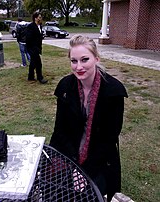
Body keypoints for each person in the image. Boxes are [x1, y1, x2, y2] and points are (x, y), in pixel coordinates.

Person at [49, 35, 128, 201]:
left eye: (84, 60)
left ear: (96, 59)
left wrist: (84, 171)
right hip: (69, 152)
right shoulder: (65, 86)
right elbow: (60, 130)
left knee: (90, 196)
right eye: (74, 61)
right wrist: (72, 164)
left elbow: (108, 139)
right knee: (56, 192)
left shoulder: (113, 92)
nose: (79, 67)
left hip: (99, 158)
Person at [26, 11, 48, 84]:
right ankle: (40, 78)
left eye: (41, 17)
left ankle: (30, 77)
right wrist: (33, 47)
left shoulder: (40, 26)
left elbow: (38, 37)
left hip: (37, 48)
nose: (40, 18)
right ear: (35, 18)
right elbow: (29, 38)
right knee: (38, 63)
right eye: (39, 17)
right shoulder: (30, 26)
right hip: (32, 48)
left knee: (33, 63)